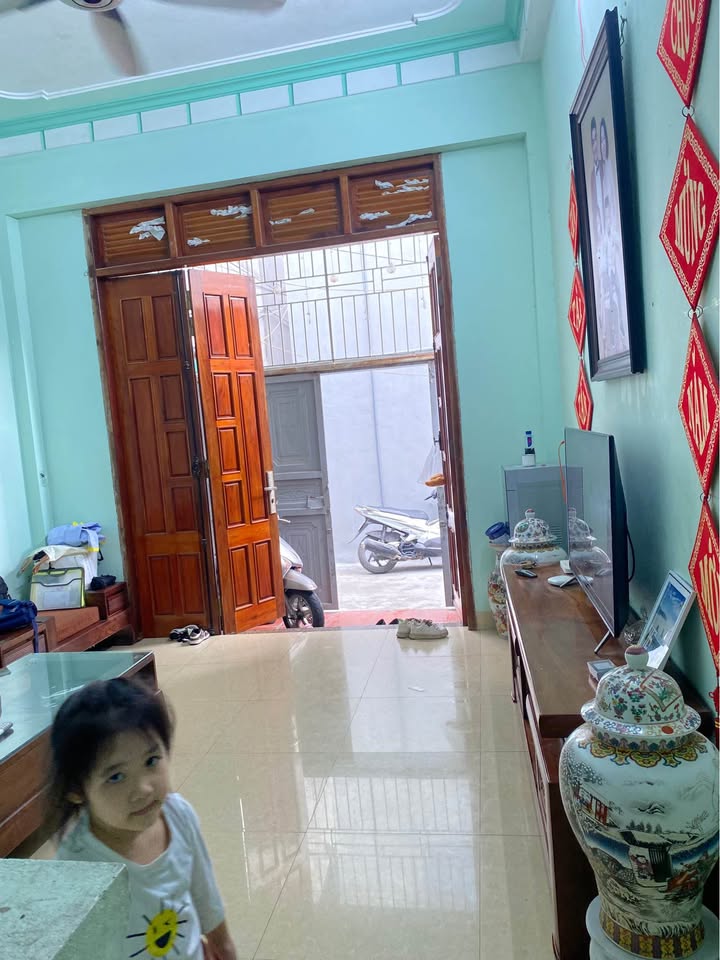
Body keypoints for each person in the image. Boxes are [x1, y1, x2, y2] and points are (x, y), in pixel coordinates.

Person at [47, 677, 237, 960]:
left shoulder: (179, 816)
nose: (144, 789)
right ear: (76, 790)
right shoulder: (78, 862)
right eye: (116, 777)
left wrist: (224, 946)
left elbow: (205, 896)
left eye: (151, 761)